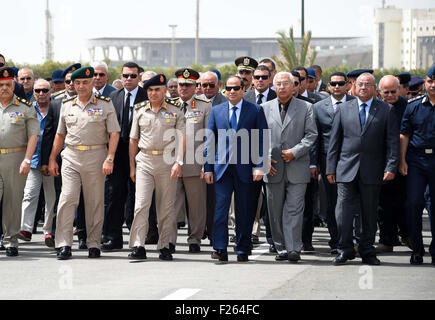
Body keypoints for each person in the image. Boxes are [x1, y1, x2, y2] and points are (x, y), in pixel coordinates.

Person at [326, 72, 399, 266]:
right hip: (345, 169)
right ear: (354, 87)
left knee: (369, 215)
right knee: (342, 213)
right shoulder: (343, 109)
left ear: (375, 88)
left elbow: (392, 142)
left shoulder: (386, 110)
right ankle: (345, 249)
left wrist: (391, 166)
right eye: (360, 84)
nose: (364, 87)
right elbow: (334, 142)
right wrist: (330, 168)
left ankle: (367, 250)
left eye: (368, 84)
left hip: (373, 170)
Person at [48, 66, 120, 260]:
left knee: (94, 202)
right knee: (67, 198)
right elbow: (60, 134)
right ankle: (64, 244)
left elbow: (114, 133)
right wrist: (53, 158)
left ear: (92, 83)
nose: (81, 86)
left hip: (96, 156)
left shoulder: (105, 104)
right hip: (71, 156)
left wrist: (110, 157)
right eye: (77, 83)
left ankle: (94, 243)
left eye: (85, 82)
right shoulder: (66, 104)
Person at [204, 75, 268, 262]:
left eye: (236, 88)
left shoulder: (255, 110)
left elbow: (262, 139)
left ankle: (242, 248)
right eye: (229, 88)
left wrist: (259, 166)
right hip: (222, 168)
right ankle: (220, 248)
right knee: (221, 210)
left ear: (243, 90)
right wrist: (207, 168)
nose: (232, 91)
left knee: (245, 210)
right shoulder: (217, 111)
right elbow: (209, 140)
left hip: (246, 168)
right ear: (225, 90)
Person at [128, 74, 186, 261]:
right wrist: (132, 166)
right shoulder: (139, 110)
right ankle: (138, 244)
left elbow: (182, 138)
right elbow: (133, 140)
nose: (153, 93)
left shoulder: (176, 111)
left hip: (167, 162)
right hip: (144, 160)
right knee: (141, 205)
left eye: (157, 90)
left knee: (166, 207)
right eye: (150, 90)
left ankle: (164, 245)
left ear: (165, 91)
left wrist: (179, 162)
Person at [262, 72, 317, 262]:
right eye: (278, 84)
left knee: (294, 208)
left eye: (286, 83)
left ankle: (294, 247)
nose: (282, 87)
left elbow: (311, 135)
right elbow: (257, 137)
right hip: (272, 167)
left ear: (294, 86)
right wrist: (264, 159)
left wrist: (295, 151)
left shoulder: (307, 108)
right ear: (273, 86)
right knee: (274, 210)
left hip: (297, 165)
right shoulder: (263, 108)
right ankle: (281, 247)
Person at [102, 62, 148, 251]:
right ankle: (113, 237)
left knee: (140, 196)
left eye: (132, 76)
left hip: (143, 151)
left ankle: (140, 237)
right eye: (125, 76)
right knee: (114, 194)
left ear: (139, 77)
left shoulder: (148, 96)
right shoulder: (113, 97)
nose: (128, 79)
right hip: (119, 151)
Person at [311, 72, 355, 254]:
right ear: (328, 86)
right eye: (333, 84)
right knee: (332, 202)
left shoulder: (355, 103)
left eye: (340, 83)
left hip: (352, 159)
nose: (337, 87)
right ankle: (336, 240)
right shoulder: (319, 107)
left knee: (352, 202)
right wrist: (313, 163)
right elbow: (315, 138)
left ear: (347, 85)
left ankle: (353, 240)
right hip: (328, 161)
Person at [0, 67, 40, 257]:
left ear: (14, 84)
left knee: (12, 202)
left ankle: (11, 241)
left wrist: (27, 159)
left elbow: (33, 135)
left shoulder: (25, 107)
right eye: (1, 85)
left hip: (15, 159)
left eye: (8, 84)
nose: (4, 88)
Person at [399, 65, 435, 266]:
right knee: (413, 204)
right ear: (425, 83)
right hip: (416, 162)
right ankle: (417, 250)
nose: (433, 85)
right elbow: (404, 134)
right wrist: (402, 160)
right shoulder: (413, 106)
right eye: (429, 81)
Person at [174, 68, 211, 253]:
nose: (184, 88)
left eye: (188, 85)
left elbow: (209, 137)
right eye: (181, 84)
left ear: (195, 86)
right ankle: (169, 240)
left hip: (195, 163)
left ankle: (194, 239)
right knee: (170, 205)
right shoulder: (169, 104)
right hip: (171, 164)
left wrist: (207, 163)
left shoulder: (204, 106)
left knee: (196, 206)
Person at [18, 79, 56, 247]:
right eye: (38, 90)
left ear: (51, 90)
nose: (41, 94)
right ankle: (25, 229)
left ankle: (48, 231)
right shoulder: (27, 108)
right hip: (32, 159)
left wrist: (52, 159)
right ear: (33, 92)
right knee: (29, 195)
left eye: (44, 90)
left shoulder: (58, 108)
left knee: (51, 198)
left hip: (52, 160)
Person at [376, 75, 411, 253]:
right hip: (381, 162)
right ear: (379, 92)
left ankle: (407, 234)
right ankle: (387, 239)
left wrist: (401, 160)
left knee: (405, 201)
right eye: (385, 92)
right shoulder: (376, 107)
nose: (389, 95)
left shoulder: (409, 107)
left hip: (405, 162)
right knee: (384, 204)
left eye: (393, 91)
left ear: (400, 90)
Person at [199, 70, 227, 244]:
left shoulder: (224, 103)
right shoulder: (197, 103)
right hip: (194, 157)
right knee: (198, 199)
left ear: (219, 85)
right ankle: (200, 229)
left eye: (211, 85)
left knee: (214, 199)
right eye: (204, 85)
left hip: (217, 158)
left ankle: (213, 233)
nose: (207, 88)